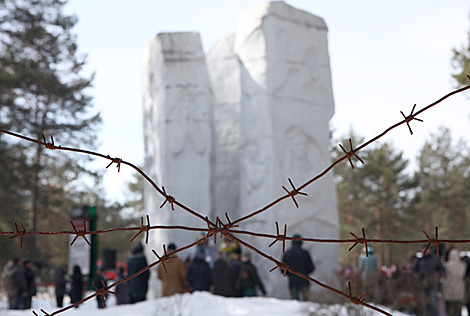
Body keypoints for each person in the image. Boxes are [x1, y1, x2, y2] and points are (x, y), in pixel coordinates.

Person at [413, 245, 445, 316]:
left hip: (433, 285)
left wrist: (436, 276)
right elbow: (414, 271)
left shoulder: (435, 259)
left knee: (433, 304)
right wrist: (418, 276)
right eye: (423, 249)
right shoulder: (420, 260)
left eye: (426, 249)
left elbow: (442, 271)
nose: (425, 250)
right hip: (422, 285)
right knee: (423, 304)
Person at [281, 234, 315, 301]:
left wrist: (290, 274)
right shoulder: (305, 253)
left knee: (294, 302)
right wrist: (305, 273)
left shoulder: (287, 253)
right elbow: (311, 267)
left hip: (293, 282)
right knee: (306, 303)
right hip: (304, 280)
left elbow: (282, 269)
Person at [443, 247, 465, 316]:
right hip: (459, 291)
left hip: (449, 290)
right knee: (458, 311)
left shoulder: (447, 265)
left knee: (450, 311)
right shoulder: (462, 265)